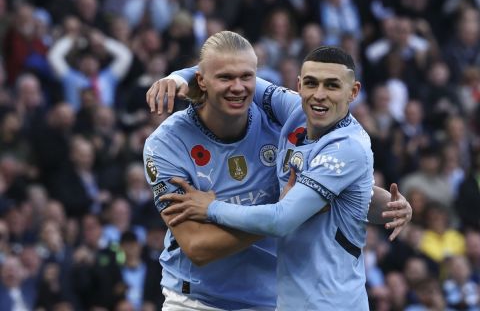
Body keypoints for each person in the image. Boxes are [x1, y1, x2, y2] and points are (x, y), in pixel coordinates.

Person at [144, 32, 411, 310]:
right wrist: (176, 78)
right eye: (225, 78)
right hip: (198, 301)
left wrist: (288, 212)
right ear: (202, 81)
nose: (238, 87)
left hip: (271, 299)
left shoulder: (283, 115)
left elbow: (318, 195)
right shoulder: (166, 144)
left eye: (246, 77)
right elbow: (198, 247)